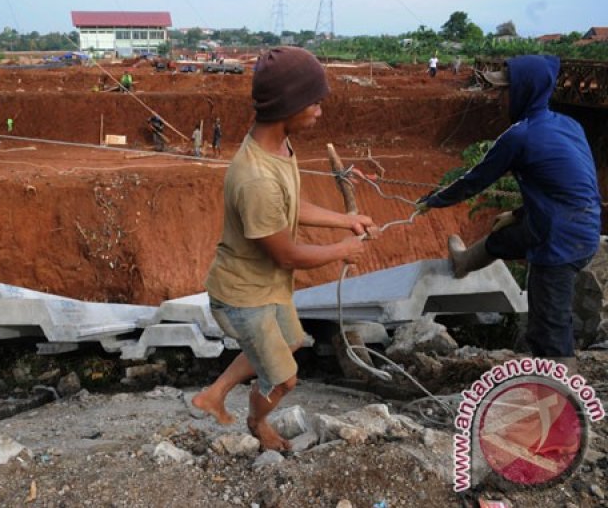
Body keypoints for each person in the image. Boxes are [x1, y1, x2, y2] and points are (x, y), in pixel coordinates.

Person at [192, 47, 380, 451]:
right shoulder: (255, 179)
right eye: (313, 102)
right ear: (288, 104)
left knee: (291, 342)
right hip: (243, 296)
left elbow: (290, 208)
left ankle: (213, 394)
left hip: (268, 287)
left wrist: (344, 220)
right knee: (284, 378)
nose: (319, 111)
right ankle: (258, 424)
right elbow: (287, 254)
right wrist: (342, 250)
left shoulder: (280, 148)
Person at [416, 55, 601, 373]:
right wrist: (517, 213)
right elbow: (567, 186)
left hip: (557, 240)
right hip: (584, 225)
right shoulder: (570, 125)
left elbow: (474, 181)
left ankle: (562, 402)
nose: (502, 98)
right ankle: (464, 262)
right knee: (505, 237)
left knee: (549, 329)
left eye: (506, 90)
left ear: (524, 91)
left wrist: (433, 200)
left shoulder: (520, 136)